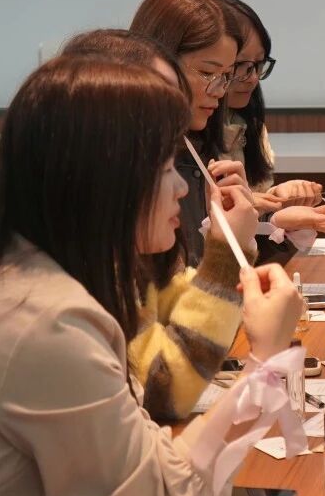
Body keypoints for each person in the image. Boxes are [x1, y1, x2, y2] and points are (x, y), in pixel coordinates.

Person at [0, 55, 306, 496]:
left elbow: (154, 464)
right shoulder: (45, 323)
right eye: (165, 168)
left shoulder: (53, 280)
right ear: (104, 180)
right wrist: (266, 361)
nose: (182, 188)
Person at [61, 28, 258, 423]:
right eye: (163, 165)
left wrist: (234, 260)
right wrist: (225, 260)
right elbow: (163, 393)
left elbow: (174, 298)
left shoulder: (117, 250)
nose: (182, 187)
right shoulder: (72, 289)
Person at [132, 0, 325, 266]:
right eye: (207, 72)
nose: (221, 90)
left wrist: (273, 224)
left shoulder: (199, 145)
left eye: (226, 75)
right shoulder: (137, 158)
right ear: (159, 64)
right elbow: (185, 282)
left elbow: (207, 275)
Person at [221, 0, 325, 264]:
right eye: (241, 66)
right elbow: (208, 231)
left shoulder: (249, 127)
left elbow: (250, 235)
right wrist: (266, 210)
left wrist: (277, 207)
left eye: (258, 65)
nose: (252, 78)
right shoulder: (183, 139)